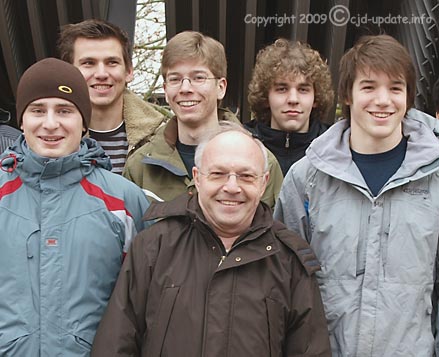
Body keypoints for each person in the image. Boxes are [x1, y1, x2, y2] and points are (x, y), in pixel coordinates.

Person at [91, 121, 331, 356]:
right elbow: (115, 345)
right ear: (197, 177)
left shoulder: (290, 262)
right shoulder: (153, 247)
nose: (232, 187)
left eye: (246, 176)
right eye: (218, 174)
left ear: (263, 183)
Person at [274, 34, 439, 356]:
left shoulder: (435, 177)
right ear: (347, 95)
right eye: (368, 87)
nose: (383, 100)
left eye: (395, 88)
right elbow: (283, 283)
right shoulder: (306, 178)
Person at [0, 58, 151, 356]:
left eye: (65, 110)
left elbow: (149, 303)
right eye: (38, 110)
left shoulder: (125, 202)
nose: (51, 123)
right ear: (21, 120)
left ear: (84, 121)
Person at [123, 30, 283, 208]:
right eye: (175, 79)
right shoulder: (139, 167)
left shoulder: (260, 163)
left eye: (198, 78)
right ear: (166, 90)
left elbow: (273, 232)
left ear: (220, 87)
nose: (185, 88)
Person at [57, 19, 167, 174]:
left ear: (129, 71)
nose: (101, 74)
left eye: (112, 62)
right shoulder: (49, 136)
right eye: (89, 63)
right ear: (68, 72)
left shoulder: (163, 138)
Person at [246, 38, 333, 176]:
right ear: (265, 98)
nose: (293, 99)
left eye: (303, 90)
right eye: (282, 89)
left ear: (316, 98)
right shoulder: (243, 143)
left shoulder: (334, 147)